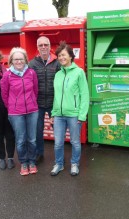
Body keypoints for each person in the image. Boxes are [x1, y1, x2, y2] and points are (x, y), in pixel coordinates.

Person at [50, 41, 89, 176]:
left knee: (75, 142)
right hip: (59, 115)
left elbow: (84, 94)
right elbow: (56, 96)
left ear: (71, 56)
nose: (61, 58)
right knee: (58, 143)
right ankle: (59, 164)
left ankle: (74, 164)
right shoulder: (58, 75)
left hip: (74, 114)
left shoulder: (79, 72)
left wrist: (82, 115)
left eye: (64, 55)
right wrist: (53, 114)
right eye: (59, 55)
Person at [0, 47, 39, 176]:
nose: (19, 61)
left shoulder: (32, 73)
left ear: (25, 60)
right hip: (16, 113)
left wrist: (32, 102)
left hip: (32, 111)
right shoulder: (7, 75)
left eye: (21, 59)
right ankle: (23, 162)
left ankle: (32, 162)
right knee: (21, 139)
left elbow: (35, 90)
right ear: (11, 60)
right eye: (16, 59)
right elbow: (4, 95)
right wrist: (12, 107)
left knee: (32, 139)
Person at [29, 36, 60, 164]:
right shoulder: (32, 63)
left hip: (54, 103)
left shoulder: (57, 62)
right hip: (38, 104)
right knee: (37, 131)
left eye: (45, 45)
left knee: (57, 130)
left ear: (50, 46)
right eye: (40, 45)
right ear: (37, 47)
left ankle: (59, 156)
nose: (43, 47)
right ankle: (39, 153)